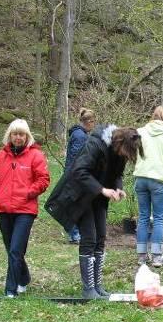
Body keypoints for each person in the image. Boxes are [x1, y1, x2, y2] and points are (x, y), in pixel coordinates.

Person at [45, 125, 143, 300]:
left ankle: (97, 285)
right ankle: (88, 288)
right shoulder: (95, 144)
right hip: (81, 195)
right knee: (89, 238)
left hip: (98, 198)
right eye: (125, 152)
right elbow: (79, 171)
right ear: (119, 142)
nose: (125, 156)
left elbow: (117, 174)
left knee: (101, 237)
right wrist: (102, 189)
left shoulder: (119, 152)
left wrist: (118, 189)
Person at [0, 119, 50, 298]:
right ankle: (24, 278)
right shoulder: (1, 155)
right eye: (15, 134)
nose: (18, 137)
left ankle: (10, 289)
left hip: (25, 210)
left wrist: (29, 193)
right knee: (12, 250)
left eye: (21, 134)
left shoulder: (36, 155)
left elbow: (43, 179)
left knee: (16, 249)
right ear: (10, 135)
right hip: (4, 208)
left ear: (27, 136)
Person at [133, 106, 163, 267]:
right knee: (159, 218)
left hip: (141, 177)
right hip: (159, 179)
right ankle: (156, 256)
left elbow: (133, 153)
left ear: (152, 116)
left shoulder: (140, 131)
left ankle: (141, 256)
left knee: (143, 216)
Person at [64, 108, 97, 244]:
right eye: (93, 122)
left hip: (76, 174)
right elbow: (76, 157)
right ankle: (74, 234)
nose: (94, 124)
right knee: (75, 205)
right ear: (88, 121)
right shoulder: (79, 136)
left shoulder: (81, 134)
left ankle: (76, 233)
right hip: (75, 175)